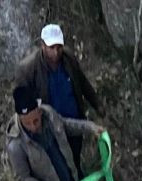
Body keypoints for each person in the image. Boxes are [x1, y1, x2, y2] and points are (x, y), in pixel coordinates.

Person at [15, 24, 102, 170]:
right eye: (51, 47)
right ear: (42, 45)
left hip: (75, 119)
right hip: (52, 127)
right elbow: (23, 105)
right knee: (60, 164)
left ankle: (79, 179)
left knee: (75, 155)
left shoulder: (68, 59)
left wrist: (98, 106)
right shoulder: (28, 70)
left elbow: (82, 82)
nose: (56, 52)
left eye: (59, 47)